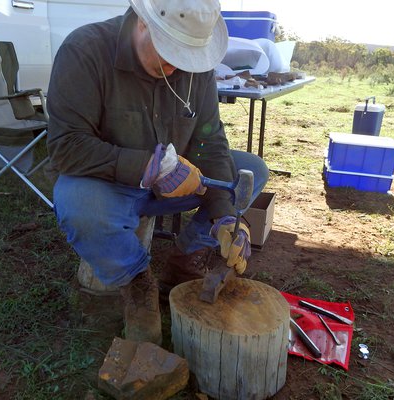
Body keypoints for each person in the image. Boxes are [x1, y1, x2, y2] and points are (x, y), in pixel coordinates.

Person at [46, 0, 269, 346]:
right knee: (78, 205)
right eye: (170, 53)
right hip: (108, 187)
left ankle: (185, 258)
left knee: (250, 169)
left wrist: (225, 215)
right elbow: (65, 146)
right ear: (143, 23)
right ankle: (138, 284)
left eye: (186, 58)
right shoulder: (84, 51)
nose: (178, 68)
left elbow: (210, 142)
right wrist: (146, 167)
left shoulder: (196, 67)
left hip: (176, 187)